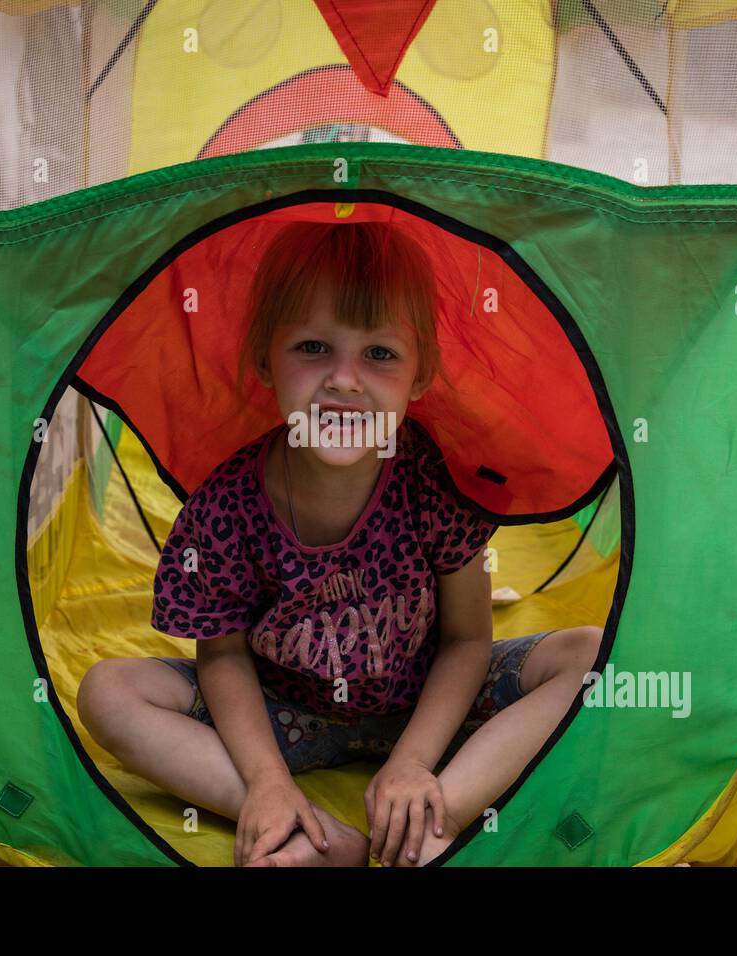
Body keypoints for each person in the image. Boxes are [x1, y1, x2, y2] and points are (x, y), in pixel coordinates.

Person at [77, 220, 603, 867]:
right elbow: (222, 659)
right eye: (314, 347)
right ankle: (306, 831)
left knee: (591, 654)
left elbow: (468, 639)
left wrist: (412, 762)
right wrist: (267, 781)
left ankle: (429, 824)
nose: (345, 381)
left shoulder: (432, 479)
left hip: (423, 702)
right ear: (265, 361)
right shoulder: (226, 506)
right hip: (286, 714)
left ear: (419, 375)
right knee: (106, 692)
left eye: (379, 354)